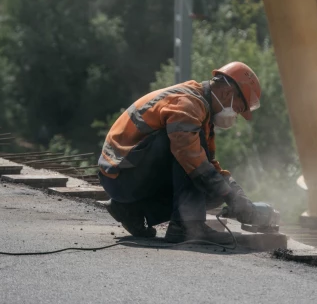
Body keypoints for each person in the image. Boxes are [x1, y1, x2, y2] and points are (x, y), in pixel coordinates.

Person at [97, 62, 260, 245]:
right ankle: (186, 227)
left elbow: (208, 163)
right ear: (227, 93)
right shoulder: (188, 103)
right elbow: (190, 156)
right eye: (238, 109)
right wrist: (228, 195)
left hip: (130, 175)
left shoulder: (203, 114)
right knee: (189, 155)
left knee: (213, 192)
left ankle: (131, 210)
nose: (235, 116)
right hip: (120, 175)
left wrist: (235, 194)